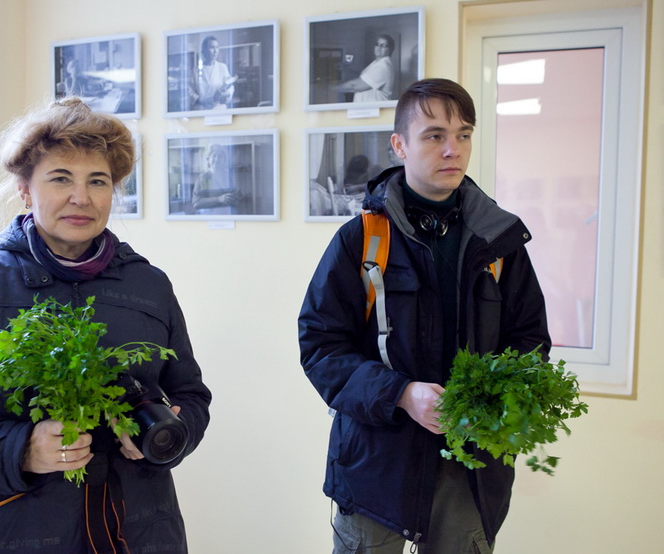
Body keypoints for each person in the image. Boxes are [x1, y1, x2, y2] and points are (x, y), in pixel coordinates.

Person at [0, 97, 211, 554]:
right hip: (2, 536)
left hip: (139, 536)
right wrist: (20, 449)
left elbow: (191, 395)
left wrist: (173, 430)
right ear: (25, 190)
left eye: (98, 181)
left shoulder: (149, 287)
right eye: (60, 178)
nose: (82, 197)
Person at [298, 78, 550, 553]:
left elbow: (531, 341)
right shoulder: (363, 240)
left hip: (468, 472)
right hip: (376, 469)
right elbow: (320, 345)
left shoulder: (500, 242)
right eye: (434, 135)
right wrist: (401, 394)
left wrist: (491, 404)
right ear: (400, 145)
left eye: (464, 135)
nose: (452, 149)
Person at [336, 34, 396, 103]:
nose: (378, 47)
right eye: (377, 44)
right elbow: (364, 77)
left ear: (390, 50)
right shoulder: (376, 63)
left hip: (375, 111)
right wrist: (346, 70)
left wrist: (333, 88)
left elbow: (355, 86)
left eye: (383, 45)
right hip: (366, 111)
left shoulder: (383, 67)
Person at [191, 143, 242, 214]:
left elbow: (238, 197)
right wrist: (218, 199)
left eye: (220, 156)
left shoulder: (229, 176)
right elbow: (196, 203)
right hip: (210, 218)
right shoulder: (205, 178)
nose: (217, 159)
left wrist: (234, 197)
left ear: (224, 159)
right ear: (208, 159)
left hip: (229, 216)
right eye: (214, 156)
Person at [192, 35, 236, 110]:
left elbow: (230, 87)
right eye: (212, 47)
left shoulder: (222, 67)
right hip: (202, 109)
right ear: (204, 50)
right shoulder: (196, 70)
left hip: (219, 108)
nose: (215, 51)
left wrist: (227, 96)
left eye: (217, 47)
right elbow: (190, 92)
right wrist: (202, 101)